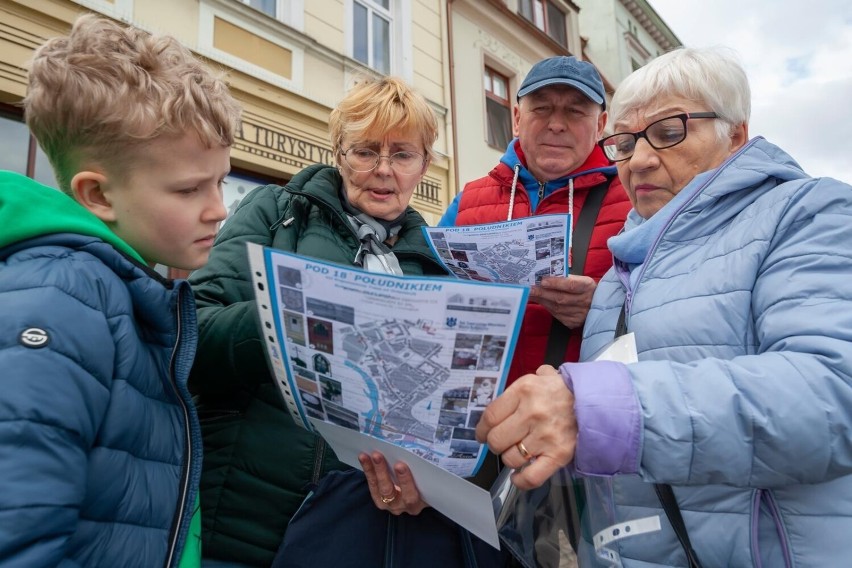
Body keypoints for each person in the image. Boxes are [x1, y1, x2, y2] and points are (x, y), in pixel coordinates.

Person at [476, 46, 852, 567]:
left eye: (670, 131)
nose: (641, 159)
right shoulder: (621, 267)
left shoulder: (809, 213)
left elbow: (833, 395)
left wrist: (590, 407)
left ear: (735, 133)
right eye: (625, 142)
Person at [187, 76, 471, 567]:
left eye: (402, 155)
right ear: (338, 152)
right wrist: (292, 322)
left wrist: (428, 481)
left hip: (368, 529)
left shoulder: (436, 263)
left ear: (424, 165)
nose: (383, 171)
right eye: (365, 151)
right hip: (250, 523)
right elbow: (195, 334)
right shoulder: (277, 212)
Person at [0, 14, 240, 567]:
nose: (219, 208)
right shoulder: (59, 303)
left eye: (221, 180)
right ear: (97, 195)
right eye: (189, 189)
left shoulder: (116, 294)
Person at [439, 56, 631, 383]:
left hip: (577, 419)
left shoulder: (633, 201)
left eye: (575, 110)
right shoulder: (469, 199)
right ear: (517, 118)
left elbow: (670, 316)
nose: (556, 123)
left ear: (600, 125)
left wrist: (602, 310)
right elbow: (427, 289)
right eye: (541, 108)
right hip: (480, 415)